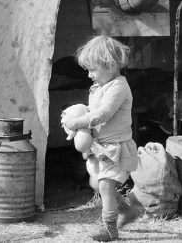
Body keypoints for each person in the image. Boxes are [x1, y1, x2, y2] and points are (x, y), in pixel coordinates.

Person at [61, 35, 139, 241]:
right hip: (101, 147)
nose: (89, 75)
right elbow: (94, 113)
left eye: (93, 69)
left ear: (111, 65)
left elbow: (103, 113)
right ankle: (126, 210)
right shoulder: (98, 87)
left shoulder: (119, 86)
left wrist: (77, 123)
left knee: (105, 185)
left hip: (115, 147)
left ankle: (110, 230)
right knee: (97, 184)